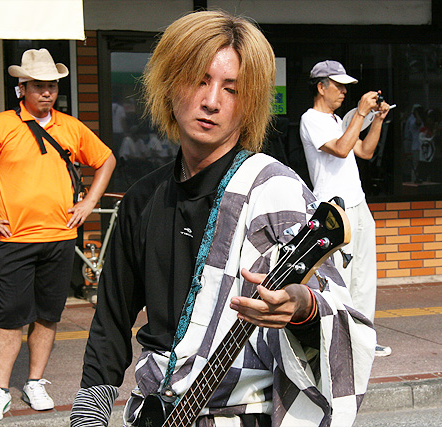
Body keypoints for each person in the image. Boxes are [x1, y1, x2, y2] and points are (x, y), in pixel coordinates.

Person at [70, 11, 375, 427]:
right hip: (156, 411)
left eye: (231, 89)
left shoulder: (276, 191)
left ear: (248, 104)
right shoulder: (142, 200)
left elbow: (337, 310)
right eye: (199, 80)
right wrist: (88, 414)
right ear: (168, 85)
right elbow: (111, 322)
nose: (211, 101)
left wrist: (301, 307)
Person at [0, 48, 115, 422]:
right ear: (21, 88)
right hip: (15, 239)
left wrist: (89, 202)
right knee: (10, 315)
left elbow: (106, 160)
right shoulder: (0, 125)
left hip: (60, 236)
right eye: (39, 86)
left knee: (48, 314)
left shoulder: (70, 126)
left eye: (52, 86)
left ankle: (35, 381)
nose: (47, 93)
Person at [299, 60, 392, 357]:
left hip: (358, 202)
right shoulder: (310, 119)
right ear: (321, 87)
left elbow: (364, 151)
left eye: (345, 87)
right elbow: (340, 149)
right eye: (338, 86)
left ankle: (363, 339)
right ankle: (338, 341)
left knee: (364, 275)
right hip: (334, 209)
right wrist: (361, 113)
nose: (343, 92)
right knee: (339, 277)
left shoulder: (338, 120)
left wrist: (377, 120)